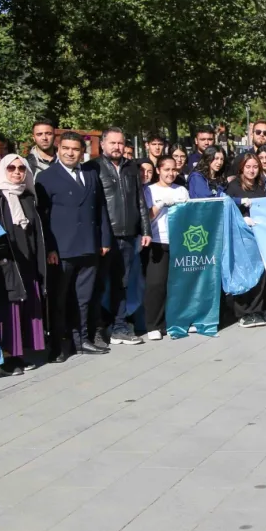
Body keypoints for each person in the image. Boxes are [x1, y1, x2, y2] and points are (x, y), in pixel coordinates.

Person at [36, 131, 112, 360]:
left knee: (83, 298)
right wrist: (50, 248)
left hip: (89, 246)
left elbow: (100, 208)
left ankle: (81, 340)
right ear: (58, 149)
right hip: (61, 250)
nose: (70, 153)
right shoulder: (46, 177)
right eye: (66, 148)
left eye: (75, 149)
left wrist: (104, 239)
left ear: (82, 152)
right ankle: (59, 345)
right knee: (59, 299)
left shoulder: (90, 174)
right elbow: (43, 217)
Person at [0, 155, 50, 373]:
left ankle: (20, 353)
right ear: (3, 170)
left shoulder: (28, 196)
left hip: (28, 261)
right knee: (8, 309)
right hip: (7, 263)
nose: (17, 172)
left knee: (25, 307)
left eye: (21, 168)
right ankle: (6, 356)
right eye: (11, 168)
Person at [87, 127, 151, 346]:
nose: (117, 147)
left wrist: (145, 230)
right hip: (104, 237)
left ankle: (120, 327)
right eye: (112, 143)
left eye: (120, 143)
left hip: (128, 235)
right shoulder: (93, 167)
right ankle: (96, 329)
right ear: (103, 144)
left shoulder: (131, 167)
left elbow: (140, 200)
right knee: (98, 285)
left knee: (122, 284)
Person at [144, 157, 189, 340]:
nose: (171, 173)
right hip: (157, 241)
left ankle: (173, 322)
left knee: (177, 285)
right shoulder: (149, 190)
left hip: (179, 242)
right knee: (156, 285)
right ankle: (154, 325)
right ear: (158, 170)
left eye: (174, 170)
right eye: (167, 169)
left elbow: (190, 215)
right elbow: (146, 217)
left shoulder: (181, 190)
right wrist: (160, 204)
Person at [226, 154, 266, 328]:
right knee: (244, 273)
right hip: (241, 237)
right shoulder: (234, 186)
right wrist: (241, 210)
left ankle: (257, 310)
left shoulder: (262, 185)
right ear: (241, 168)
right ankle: (244, 313)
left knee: (259, 274)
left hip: (259, 234)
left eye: (255, 167)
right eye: (248, 167)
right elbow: (226, 204)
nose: (252, 170)